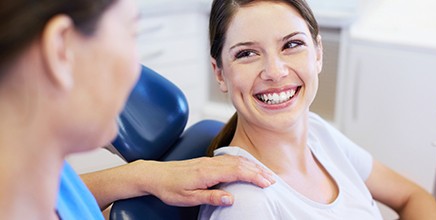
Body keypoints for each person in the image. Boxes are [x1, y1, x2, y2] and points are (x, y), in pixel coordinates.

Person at [0, 0, 276, 219]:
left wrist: (143, 176)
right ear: (61, 50)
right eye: (130, 34)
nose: (137, 72)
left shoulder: (48, 177)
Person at [199, 0, 436, 219]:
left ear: (318, 53)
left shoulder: (317, 133)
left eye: (292, 44)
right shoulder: (245, 204)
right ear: (219, 73)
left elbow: (412, 196)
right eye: (247, 53)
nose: (275, 71)